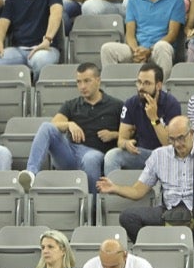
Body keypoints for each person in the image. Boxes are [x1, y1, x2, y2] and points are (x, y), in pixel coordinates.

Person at [99, 116, 194, 242]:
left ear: (191, 133)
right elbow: (137, 191)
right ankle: (152, 251)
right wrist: (115, 188)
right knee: (128, 217)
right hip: (168, 211)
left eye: (181, 138)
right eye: (172, 139)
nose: (177, 144)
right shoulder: (158, 155)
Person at [21, 62, 122, 193]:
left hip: (96, 153)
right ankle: (31, 174)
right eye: (79, 82)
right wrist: (69, 124)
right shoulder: (71, 105)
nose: (82, 86)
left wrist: (113, 134)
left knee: (90, 158)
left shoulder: (116, 105)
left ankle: (93, 205)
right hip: (70, 152)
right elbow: (54, 124)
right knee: (46, 127)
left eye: (87, 81)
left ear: (98, 80)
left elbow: (130, 133)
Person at [99, 0, 186, 78]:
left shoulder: (176, 0)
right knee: (107, 49)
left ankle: (164, 91)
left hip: (158, 49)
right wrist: (136, 50)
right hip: (137, 49)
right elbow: (130, 33)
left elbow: (172, 34)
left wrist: (149, 50)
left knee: (162, 47)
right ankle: (112, 90)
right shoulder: (134, 0)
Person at [102, 62, 180, 175]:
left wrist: (154, 118)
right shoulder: (131, 103)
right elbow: (121, 140)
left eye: (147, 83)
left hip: (166, 156)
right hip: (142, 153)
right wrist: (126, 144)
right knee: (112, 156)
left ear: (158, 85)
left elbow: (168, 144)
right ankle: (115, 192)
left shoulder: (171, 104)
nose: (141, 87)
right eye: (139, 82)